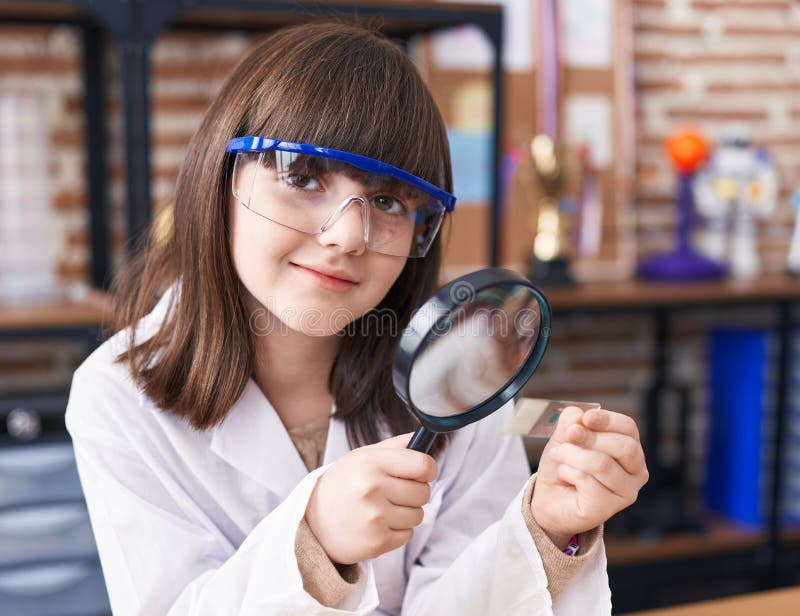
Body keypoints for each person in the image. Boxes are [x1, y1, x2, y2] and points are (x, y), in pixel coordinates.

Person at [65, 22, 648, 615]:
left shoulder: (459, 380)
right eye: (301, 177)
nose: (347, 235)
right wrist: (314, 542)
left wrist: (546, 532)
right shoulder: (116, 396)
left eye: (388, 201)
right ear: (222, 179)